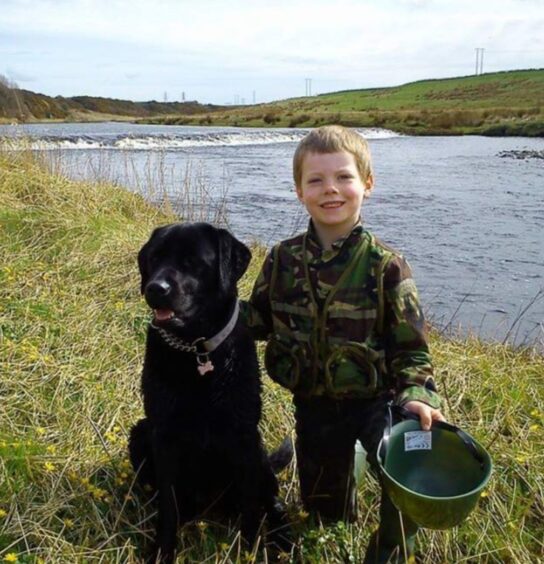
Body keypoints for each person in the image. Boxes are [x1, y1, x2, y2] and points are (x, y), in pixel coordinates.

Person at [240, 125, 445, 563]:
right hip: (314, 407)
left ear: (366, 185)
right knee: (323, 515)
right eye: (315, 180)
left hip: (378, 403)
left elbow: (412, 351)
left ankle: (389, 550)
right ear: (299, 191)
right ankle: (335, 509)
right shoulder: (281, 259)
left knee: (409, 468)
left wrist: (417, 395)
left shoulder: (387, 266)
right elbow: (254, 320)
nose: (330, 189)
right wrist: (203, 316)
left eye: (344, 178)